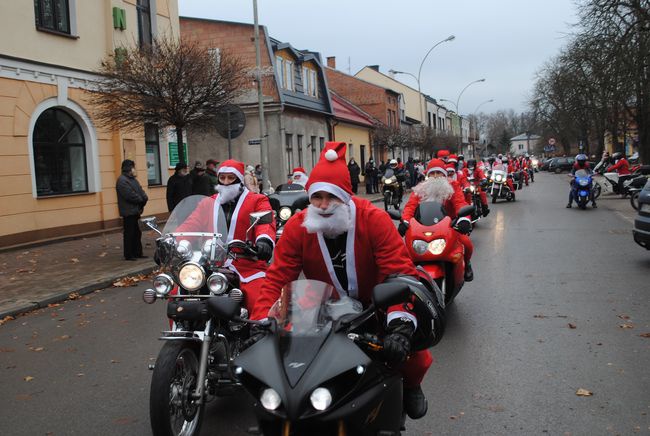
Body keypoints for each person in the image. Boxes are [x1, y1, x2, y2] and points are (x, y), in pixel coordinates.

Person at [251, 142, 434, 419]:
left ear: (346, 196)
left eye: (331, 197)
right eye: (317, 197)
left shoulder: (374, 219)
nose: (323, 206)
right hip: (323, 309)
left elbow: (398, 272)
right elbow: (278, 275)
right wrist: (262, 320)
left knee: (410, 355)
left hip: (374, 303)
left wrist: (400, 326)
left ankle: (411, 385)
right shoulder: (298, 227)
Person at [176, 159, 275, 314]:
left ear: (239, 180)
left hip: (246, 261)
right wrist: (173, 242)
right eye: (222, 178)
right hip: (210, 262)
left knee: (259, 295)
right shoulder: (208, 202)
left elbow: (265, 224)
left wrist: (263, 242)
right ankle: (182, 329)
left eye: (231, 178)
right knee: (181, 291)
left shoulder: (257, 200)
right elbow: (190, 224)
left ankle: (259, 331)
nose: (226, 182)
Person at [400, 159, 474, 281]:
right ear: (427, 175)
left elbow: (460, 203)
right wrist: (405, 221)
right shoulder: (420, 189)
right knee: (405, 249)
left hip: (449, 227)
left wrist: (464, 219)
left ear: (444, 175)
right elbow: (410, 207)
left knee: (466, 243)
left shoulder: (452, 186)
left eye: (438, 173)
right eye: (432, 173)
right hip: (422, 228)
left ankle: (467, 264)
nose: (435, 176)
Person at [116, 159, 148, 261]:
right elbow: (130, 195)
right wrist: (141, 200)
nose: (134, 169)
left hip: (136, 210)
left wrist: (144, 198)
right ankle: (129, 254)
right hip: (128, 211)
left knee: (137, 232)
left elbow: (141, 191)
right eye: (133, 167)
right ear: (129, 168)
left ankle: (138, 252)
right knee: (129, 233)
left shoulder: (133, 180)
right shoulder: (122, 181)